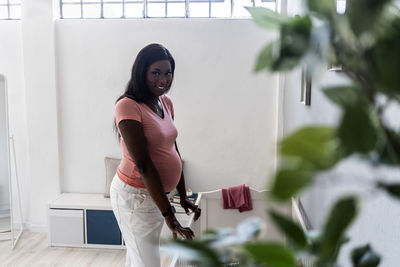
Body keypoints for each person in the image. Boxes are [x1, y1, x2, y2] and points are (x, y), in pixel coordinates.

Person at [110, 43, 201, 267]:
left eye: (168, 72)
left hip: (158, 196)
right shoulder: (127, 106)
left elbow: (173, 149)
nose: (164, 79)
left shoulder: (165, 102)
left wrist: (182, 195)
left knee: (138, 259)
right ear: (142, 73)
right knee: (147, 262)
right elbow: (143, 164)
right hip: (136, 198)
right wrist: (170, 216)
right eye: (156, 73)